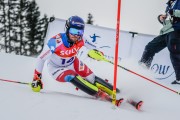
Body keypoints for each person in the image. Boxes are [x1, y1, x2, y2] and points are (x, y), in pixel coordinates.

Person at [31, 16, 121, 106]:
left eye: (80, 32)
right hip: (56, 69)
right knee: (71, 75)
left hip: (73, 62)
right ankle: (100, 94)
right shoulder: (56, 42)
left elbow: (95, 49)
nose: (76, 35)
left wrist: (97, 54)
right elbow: (41, 58)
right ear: (67, 29)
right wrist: (37, 78)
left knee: (92, 78)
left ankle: (119, 93)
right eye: (73, 31)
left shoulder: (81, 39)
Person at [139, 0, 180, 85]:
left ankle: (179, 79)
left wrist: (174, 12)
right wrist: (161, 18)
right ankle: (142, 71)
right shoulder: (170, 3)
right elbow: (170, 19)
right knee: (150, 47)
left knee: (175, 52)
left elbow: (176, 14)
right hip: (167, 31)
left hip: (177, 31)